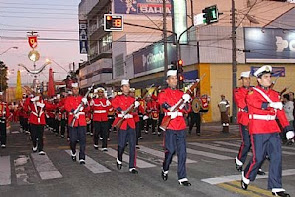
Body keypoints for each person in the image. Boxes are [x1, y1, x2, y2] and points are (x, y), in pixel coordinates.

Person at [241, 65, 294, 197]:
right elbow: (254, 103)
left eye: (269, 76)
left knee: (276, 157)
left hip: (273, 130)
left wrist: (287, 128)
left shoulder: (274, 94)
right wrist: (269, 105)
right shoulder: (252, 92)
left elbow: (280, 113)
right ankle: (247, 175)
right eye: (265, 77)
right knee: (258, 158)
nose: (268, 79)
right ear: (259, 80)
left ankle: (276, 187)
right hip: (258, 129)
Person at [158, 70, 191, 186]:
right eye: (172, 78)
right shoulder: (163, 93)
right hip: (170, 125)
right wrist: (172, 107)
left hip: (180, 125)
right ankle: (165, 167)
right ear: (167, 81)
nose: (175, 81)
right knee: (171, 151)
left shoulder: (181, 93)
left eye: (176, 78)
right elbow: (163, 104)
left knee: (182, 152)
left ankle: (182, 177)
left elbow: (187, 109)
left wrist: (187, 100)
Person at [234, 71, 265, 175]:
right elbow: (242, 104)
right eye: (245, 79)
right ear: (241, 81)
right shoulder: (238, 92)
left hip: (255, 120)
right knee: (247, 143)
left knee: (256, 144)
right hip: (245, 120)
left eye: (248, 79)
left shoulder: (254, 91)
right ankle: (239, 160)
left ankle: (256, 166)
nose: (247, 81)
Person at [111, 79, 140, 174]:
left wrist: (136, 107)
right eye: (125, 86)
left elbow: (135, 113)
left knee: (132, 145)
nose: (127, 88)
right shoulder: (117, 98)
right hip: (122, 123)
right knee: (121, 144)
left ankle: (132, 166)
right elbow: (114, 105)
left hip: (131, 123)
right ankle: (119, 158)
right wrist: (121, 110)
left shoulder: (132, 100)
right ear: (122, 88)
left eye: (128, 86)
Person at [64, 83, 90, 164]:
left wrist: (85, 104)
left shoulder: (82, 99)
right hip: (73, 121)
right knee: (73, 140)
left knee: (83, 140)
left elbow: (88, 109)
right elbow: (66, 107)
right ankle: (73, 151)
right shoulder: (68, 99)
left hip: (81, 122)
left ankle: (82, 157)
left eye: (77, 89)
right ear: (72, 90)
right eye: (74, 89)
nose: (76, 90)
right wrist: (73, 111)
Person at [90, 87, 111, 151]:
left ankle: (104, 146)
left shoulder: (106, 100)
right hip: (97, 118)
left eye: (102, 92)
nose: (100, 94)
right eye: (99, 92)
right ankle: (96, 143)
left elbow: (110, 108)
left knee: (105, 132)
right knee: (96, 132)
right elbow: (91, 109)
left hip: (104, 118)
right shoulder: (94, 100)